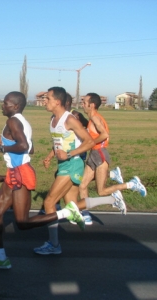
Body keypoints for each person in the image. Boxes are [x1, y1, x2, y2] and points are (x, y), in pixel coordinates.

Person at [0, 91, 85, 269]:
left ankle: (67, 213)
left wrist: (1, 148)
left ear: (15, 106)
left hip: (20, 173)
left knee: (22, 223)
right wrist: (4, 143)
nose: (2, 106)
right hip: (14, 172)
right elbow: (32, 149)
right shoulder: (22, 122)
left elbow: (24, 146)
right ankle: (1, 258)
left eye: (5, 103)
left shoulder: (13, 121)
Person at [34, 87, 126, 256]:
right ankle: (112, 199)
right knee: (72, 206)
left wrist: (69, 154)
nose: (44, 101)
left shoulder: (70, 120)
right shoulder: (54, 119)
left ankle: (54, 245)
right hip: (64, 165)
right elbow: (59, 143)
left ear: (58, 101)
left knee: (49, 202)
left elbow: (89, 141)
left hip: (73, 165)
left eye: (47, 98)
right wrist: (50, 156)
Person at [79, 93, 147, 200]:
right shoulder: (92, 118)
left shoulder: (95, 118)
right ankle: (86, 214)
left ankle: (131, 184)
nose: (82, 104)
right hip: (94, 154)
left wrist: (91, 143)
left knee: (101, 191)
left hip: (100, 154)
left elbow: (105, 134)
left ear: (91, 105)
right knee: (82, 185)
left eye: (84, 102)